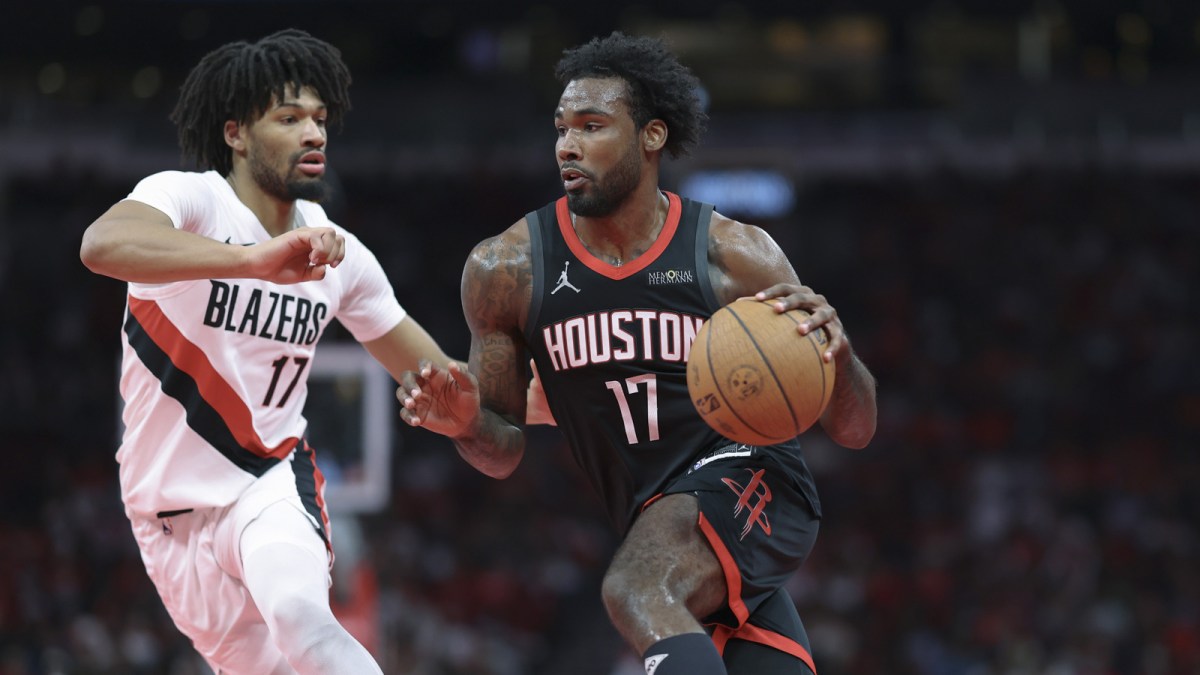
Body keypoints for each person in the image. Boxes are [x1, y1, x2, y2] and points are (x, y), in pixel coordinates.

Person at [400, 31, 878, 675]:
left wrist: (839, 356)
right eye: (561, 128)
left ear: (652, 136)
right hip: (658, 516)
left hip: (755, 478)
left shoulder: (733, 254)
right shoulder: (506, 268)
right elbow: (502, 449)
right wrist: (464, 424)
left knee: (637, 589)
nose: (568, 145)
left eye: (592, 126)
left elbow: (854, 429)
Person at [78, 29, 497, 675]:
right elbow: (101, 245)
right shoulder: (188, 198)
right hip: (163, 511)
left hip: (270, 479)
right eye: (289, 117)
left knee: (303, 617)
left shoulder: (341, 254)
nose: (314, 133)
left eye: (320, 119)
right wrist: (251, 260)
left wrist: (488, 411)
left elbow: (439, 375)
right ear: (236, 133)